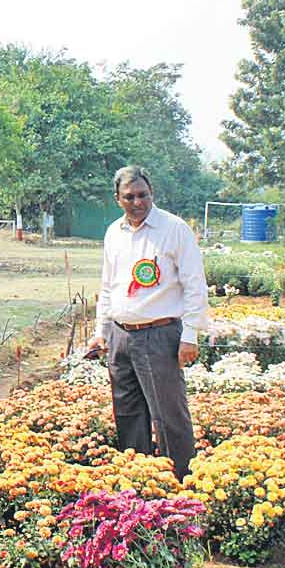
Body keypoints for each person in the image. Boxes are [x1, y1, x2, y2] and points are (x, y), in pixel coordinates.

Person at [88, 165, 208, 481]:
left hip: (160, 335)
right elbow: (108, 285)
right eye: (129, 197)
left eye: (143, 195)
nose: (137, 202)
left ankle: (181, 483)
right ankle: (139, 481)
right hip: (120, 337)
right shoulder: (114, 232)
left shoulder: (174, 229)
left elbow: (195, 283)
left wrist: (191, 334)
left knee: (169, 416)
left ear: (151, 193)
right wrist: (100, 332)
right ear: (118, 199)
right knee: (127, 413)